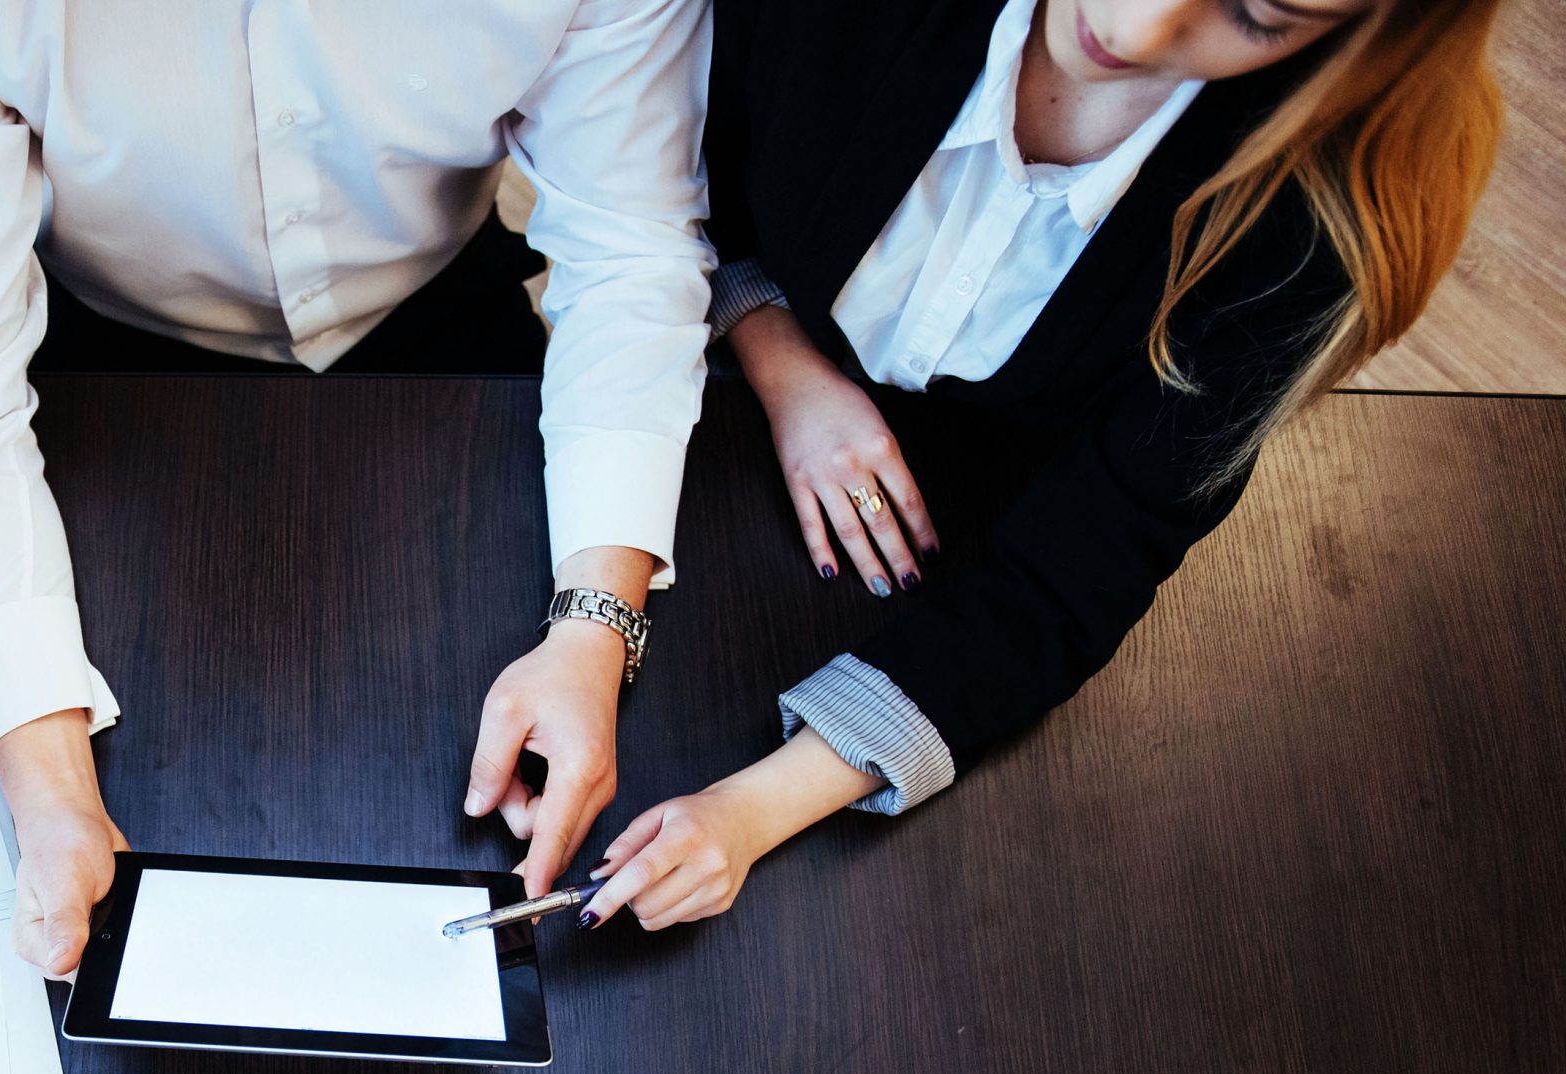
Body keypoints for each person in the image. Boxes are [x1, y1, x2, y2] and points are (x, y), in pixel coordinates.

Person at [0, 0, 716, 974]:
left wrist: (596, 622)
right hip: (97, 358)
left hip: (441, 319)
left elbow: (632, 252)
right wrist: (53, 796)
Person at [582, 0, 1505, 931]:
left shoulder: (1322, 221)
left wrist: (749, 811)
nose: (1135, 31)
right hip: (683, 372)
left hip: (973, 522)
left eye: (1260, 15)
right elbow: (675, 141)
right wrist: (775, 346)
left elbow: (1083, 566)